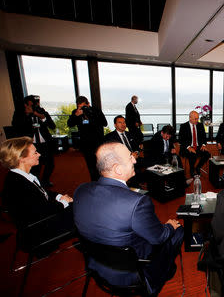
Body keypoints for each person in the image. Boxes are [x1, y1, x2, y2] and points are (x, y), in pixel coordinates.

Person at [73, 142, 183, 294]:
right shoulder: (136, 202)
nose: (135, 160)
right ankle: (161, 273)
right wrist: (170, 226)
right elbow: (158, 237)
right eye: (130, 157)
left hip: (96, 263)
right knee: (177, 230)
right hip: (129, 271)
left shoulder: (81, 190)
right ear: (117, 168)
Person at [0, 137, 73, 235]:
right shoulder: (18, 185)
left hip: (44, 219)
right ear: (22, 159)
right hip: (39, 229)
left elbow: (43, 193)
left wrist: (60, 197)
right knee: (84, 215)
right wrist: (64, 202)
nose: (39, 154)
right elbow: (42, 212)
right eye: (35, 153)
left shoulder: (23, 176)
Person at [12, 95, 56, 187]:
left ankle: (45, 181)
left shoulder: (41, 111)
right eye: (30, 105)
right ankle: (36, 183)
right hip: (32, 145)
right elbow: (16, 126)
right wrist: (28, 115)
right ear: (25, 105)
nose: (32, 107)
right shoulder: (20, 114)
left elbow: (52, 126)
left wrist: (39, 115)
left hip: (45, 143)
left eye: (34, 105)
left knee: (50, 164)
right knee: (35, 167)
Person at [67, 96, 107, 181]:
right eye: (79, 107)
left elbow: (104, 123)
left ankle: (104, 181)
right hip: (86, 144)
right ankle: (95, 183)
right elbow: (70, 124)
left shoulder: (96, 111)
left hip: (98, 142)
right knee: (91, 166)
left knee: (101, 165)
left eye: (83, 106)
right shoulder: (76, 112)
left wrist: (90, 115)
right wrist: (75, 115)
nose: (82, 109)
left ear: (88, 104)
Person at [179, 111, 210, 178]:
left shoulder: (200, 125)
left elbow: (204, 137)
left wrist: (203, 145)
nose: (197, 120)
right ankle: (192, 171)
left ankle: (198, 167)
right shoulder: (183, 126)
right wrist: (188, 147)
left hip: (198, 146)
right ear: (190, 118)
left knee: (207, 154)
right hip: (187, 148)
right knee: (192, 155)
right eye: (195, 119)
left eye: (197, 118)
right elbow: (181, 140)